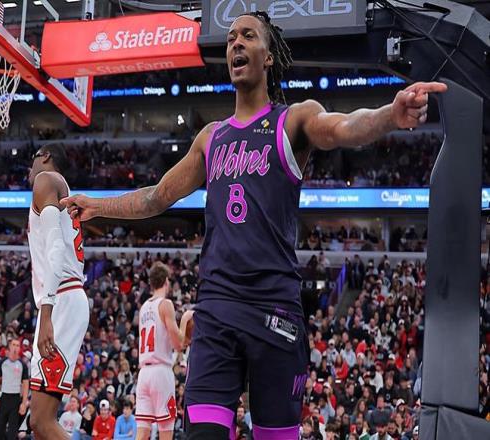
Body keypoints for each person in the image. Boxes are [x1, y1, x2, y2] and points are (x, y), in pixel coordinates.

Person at [61, 10, 446, 439]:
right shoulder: (211, 137)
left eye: (248, 36)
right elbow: (157, 197)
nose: (236, 44)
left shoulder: (293, 119)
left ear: (268, 56)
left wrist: (390, 114)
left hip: (274, 311)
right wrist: (97, 206)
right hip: (217, 310)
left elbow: (342, 127)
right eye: (230, 39)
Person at [27, 144, 90, 440]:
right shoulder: (59, 189)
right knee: (40, 427)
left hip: (60, 298)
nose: (30, 169)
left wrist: (46, 313)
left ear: (46, 156)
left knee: (41, 421)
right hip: (64, 296)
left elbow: (55, 251)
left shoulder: (45, 180)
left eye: (33, 159)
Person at [134, 262, 194, 440]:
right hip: (161, 372)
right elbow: (178, 344)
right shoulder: (165, 304)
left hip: (143, 373)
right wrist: (185, 319)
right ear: (166, 281)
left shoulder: (144, 307)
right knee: (165, 431)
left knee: (142, 434)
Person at [0, 338, 29, 440]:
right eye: (13, 345)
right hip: (4, 398)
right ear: (9, 347)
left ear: (20, 349)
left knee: (12, 432)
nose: (15, 347)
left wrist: (24, 402)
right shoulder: (3, 362)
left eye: (17, 345)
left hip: (15, 399)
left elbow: (26, 385)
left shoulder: (23, 365)